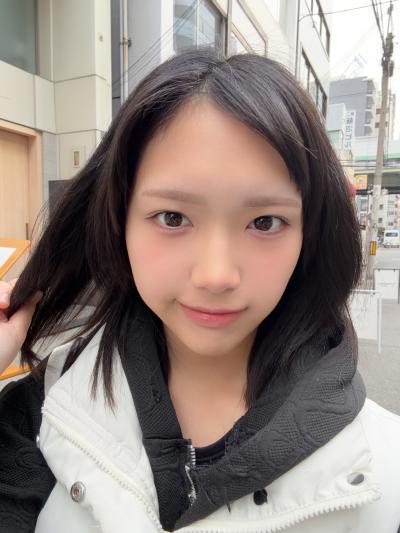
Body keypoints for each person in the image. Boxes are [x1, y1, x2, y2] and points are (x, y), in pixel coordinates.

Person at [0, 48, 399, 533]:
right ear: (119, 221)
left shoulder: (383, 472)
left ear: (309, 234)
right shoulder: (42, 414)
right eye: (172, 217)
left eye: (265, 222)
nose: (216, 275)